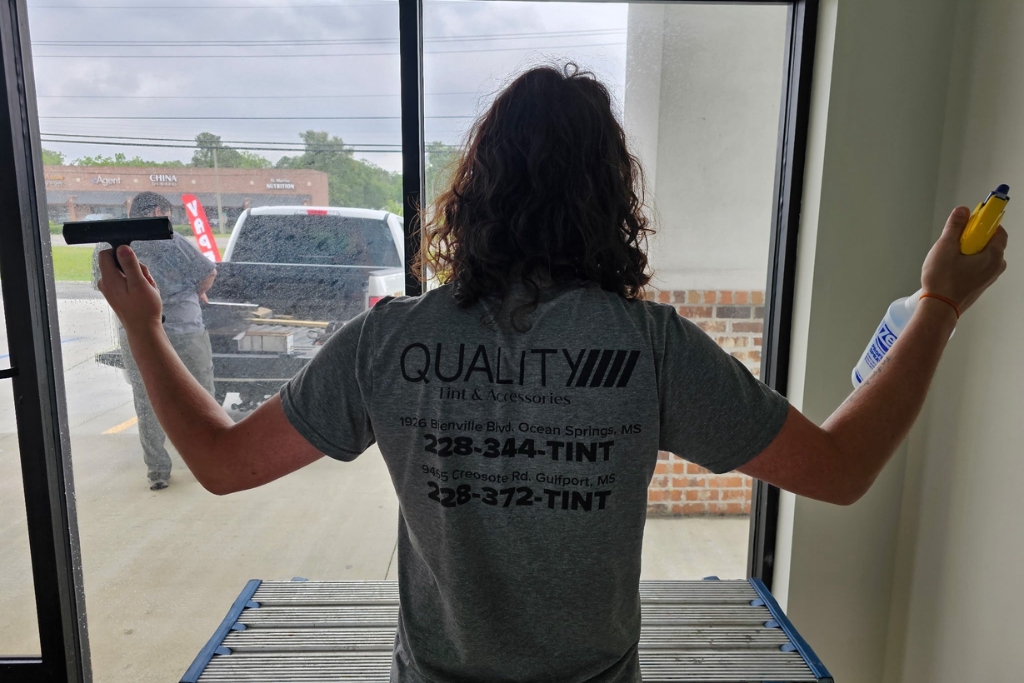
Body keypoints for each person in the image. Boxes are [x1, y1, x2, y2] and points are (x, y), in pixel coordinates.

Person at [96, 65, 1008, 682]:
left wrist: (144, 327)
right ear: (612, 198)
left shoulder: (388, 341)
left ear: (477, 190)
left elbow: (219, 462)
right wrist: (939, 305)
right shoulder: (651, 347)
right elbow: (842, 469)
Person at [93, 191, 217, 491]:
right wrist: (199, 292)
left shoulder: (107, 245)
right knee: (202, 392)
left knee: (146, 399)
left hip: (136, 332)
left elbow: (103, 284)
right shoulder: (172, 239)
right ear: (158, 211)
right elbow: (207, 272)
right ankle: (211, 460)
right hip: (183, 327)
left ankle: (158, 471)